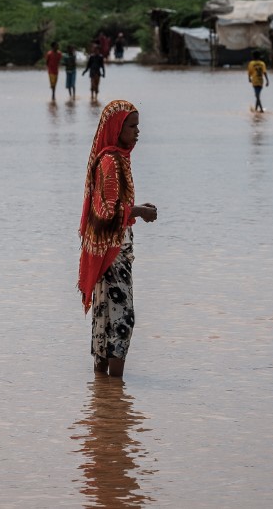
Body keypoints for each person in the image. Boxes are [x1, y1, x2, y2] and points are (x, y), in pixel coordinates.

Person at [78, 100, 158, 378]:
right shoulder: (111, 161)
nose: (138, 132)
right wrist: (139, 211)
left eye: (138, 126)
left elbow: (110, 204)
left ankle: (106, 402)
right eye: (132, 126)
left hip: (110, 250)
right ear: (116, 128)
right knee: (123, 319)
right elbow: (106, 211)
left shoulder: (115, 158)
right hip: (113, 253)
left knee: (104, 319)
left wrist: (137, 208)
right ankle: (115, 389)